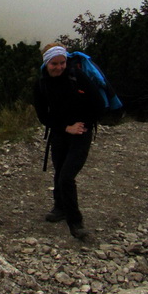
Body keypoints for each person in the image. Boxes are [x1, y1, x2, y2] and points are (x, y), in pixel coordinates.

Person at [32, 42, 104, 240]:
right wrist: (65, 127)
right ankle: (59, 207)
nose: (59, 67)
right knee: (59, 172)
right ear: (46, 63)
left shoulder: (77, 77)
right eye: (54, 64)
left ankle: (76, 223)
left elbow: (98, 104)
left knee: (66, 177)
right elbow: (43, 116)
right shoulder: (41, 84)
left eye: (62, 63)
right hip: (59, 134)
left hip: (81, 134)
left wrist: (83, 125)